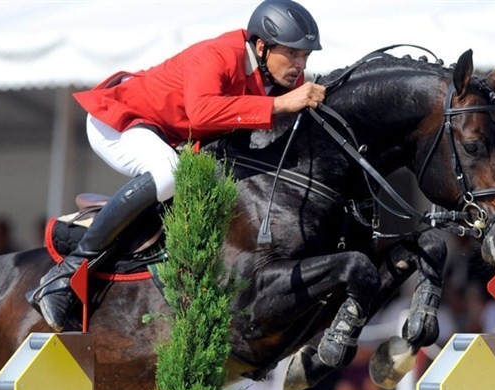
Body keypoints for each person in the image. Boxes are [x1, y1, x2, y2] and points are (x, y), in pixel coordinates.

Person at [26, 0, 326, 332]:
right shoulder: (218, 55)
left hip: (164, 136)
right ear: (260, 46)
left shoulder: (281, 83)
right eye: (293, 53)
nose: (301, 64)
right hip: (118, 122)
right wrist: (279, 104)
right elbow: (202, 113)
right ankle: (65, 274)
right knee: (170, 174)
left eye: (306, 56)